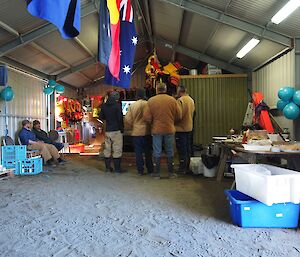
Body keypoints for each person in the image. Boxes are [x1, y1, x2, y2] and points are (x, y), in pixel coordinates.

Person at [143, 82, 182, 179]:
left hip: (156, 130)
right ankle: (171, 173)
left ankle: (156, 173)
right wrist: (172, 121)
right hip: (169, 128)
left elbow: (146, 117)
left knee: (157, 151)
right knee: (170, 151)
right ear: (165, 89)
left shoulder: (151, 101)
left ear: (157, 90)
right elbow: (179, 115)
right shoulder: (172, 100)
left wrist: (152, 123)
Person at [125, 88, 153, 176]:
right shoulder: (149, 104)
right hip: (147, 131)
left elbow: (127, 119)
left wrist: (132, 126)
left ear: (137, 95)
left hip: (136, 132)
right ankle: (150, 169)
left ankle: (140, 170)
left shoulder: (132, 106)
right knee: (148, 152)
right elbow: (151, 118)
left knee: (138, 152)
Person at [100, 91, 124, 173]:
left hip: (107, 130)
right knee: (117, 149)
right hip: (116, 130)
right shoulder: (117, 106)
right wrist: (122, 129)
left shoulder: (103, 106)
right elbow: (120, 119)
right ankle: (117, 169)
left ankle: (107, 168)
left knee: (107, 149)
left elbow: (101, 118)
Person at [175, 85, 195, 173]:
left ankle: (182, 168)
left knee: (181, 149)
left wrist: (173, 121)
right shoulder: (191, 100)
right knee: (188, 148)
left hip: (180, 128)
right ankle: (188, 166)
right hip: (189, 127)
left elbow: (178, 115)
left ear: (180, 91)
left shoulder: (180, 101)